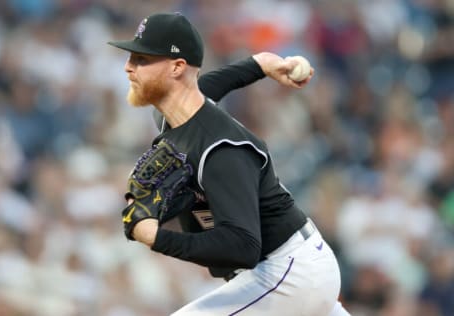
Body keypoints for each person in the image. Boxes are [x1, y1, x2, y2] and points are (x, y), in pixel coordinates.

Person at [109, 12, 350, 316]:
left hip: (288, 273)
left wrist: (157, 237)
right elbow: (206, 87)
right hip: (292, 270)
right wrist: (258, 65)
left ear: (177, 67)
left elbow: (242, 248)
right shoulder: (175, 119)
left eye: (143, 59)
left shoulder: (221, 149)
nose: (129, 67)